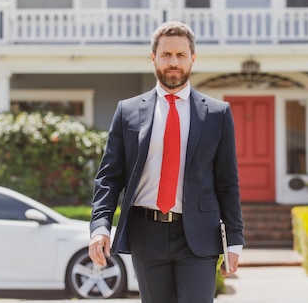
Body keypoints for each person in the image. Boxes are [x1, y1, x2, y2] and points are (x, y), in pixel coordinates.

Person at [89, 21, 245, 303]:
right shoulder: (128, 111)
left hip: (198, 235)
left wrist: (234, 240)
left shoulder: (217, 114)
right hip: (146, 233)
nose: (174, 62)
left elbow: (227, 182)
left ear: (192, 59)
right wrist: (100, 227)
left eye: (181, 55)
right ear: (153, 58)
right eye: (166, 55)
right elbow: (109, 177)